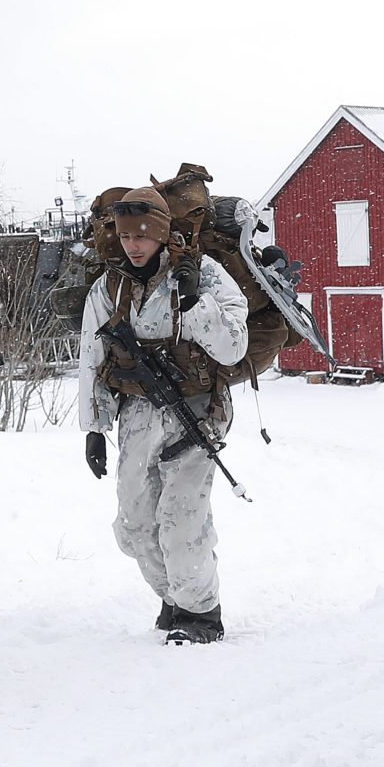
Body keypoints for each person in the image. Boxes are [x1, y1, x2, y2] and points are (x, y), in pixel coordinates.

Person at [78, 186, 248, 642]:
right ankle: (173, 598)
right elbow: (92, 358)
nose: (132, 245)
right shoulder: (110, 285)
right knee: (134, 523)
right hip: (138, 412)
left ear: (160, 234)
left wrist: (195, 304)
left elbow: (234, 347)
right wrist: (94, 428)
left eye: (142, 236)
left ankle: (200, 615)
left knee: (181, 518)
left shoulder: (204, 276)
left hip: (197, 410)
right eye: (125, 235)